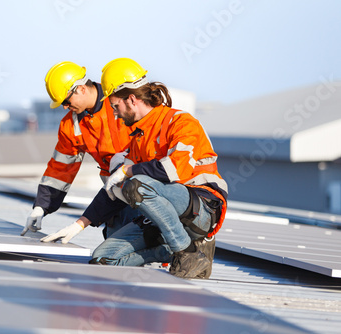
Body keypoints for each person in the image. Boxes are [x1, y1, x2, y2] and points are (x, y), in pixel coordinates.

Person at [44, 58, 227, 279]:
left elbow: (173, 171)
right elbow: (114, 189)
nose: (114, 114)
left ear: (131, 99)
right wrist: (80, 224)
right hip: (162, 212)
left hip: (202, 207)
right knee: (103, 259)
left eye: (116, 107)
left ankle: (186, 252)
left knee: (137, 185)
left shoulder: (181, 123)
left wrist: (128, 171)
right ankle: (180, 252)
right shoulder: (139, 138)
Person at [21, 61, 138, 239]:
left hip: (143, 190)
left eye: (66, 101)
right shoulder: (71, 125)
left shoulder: (120, 105)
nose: (65, 107)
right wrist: (41, 207)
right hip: (114, 197)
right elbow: (60, 169)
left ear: (81, 89)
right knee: (112, 256)